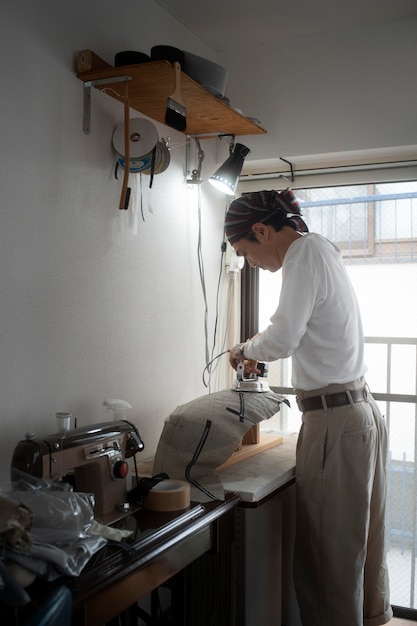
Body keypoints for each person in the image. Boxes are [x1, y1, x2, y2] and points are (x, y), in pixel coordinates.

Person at [226, 189, 392, 626]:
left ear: (262, 230)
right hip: (360, 411)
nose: (251, 264)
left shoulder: (301, 254)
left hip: (335, 419)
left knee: (328, 552)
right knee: (362, 543)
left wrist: (245, 348)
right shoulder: (323, 250)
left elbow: (281, 339)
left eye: (247, 252)